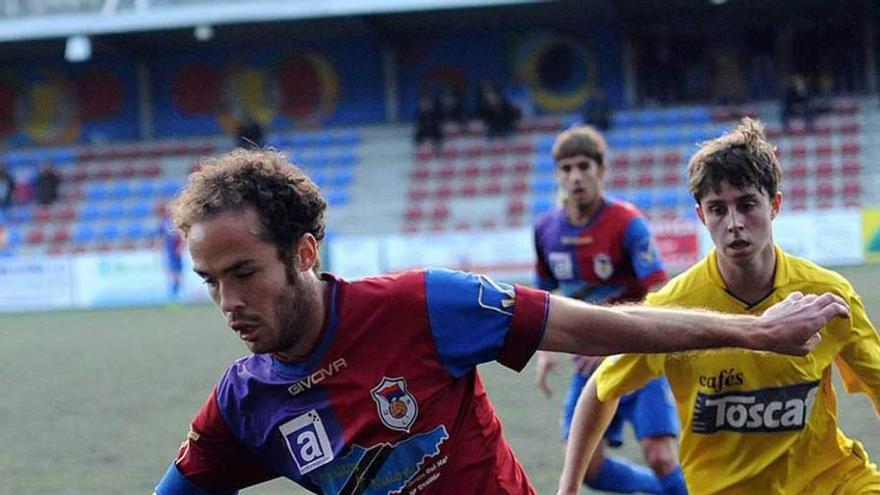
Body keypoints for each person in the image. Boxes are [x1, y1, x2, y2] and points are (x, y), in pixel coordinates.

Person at [153, 148, 848, 495]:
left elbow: (589, 326)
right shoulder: (245, 402)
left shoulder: (421, 305)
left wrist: (754, 331)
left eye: (244, 273)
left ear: (303, 252)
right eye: (210, 282)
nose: (229, 303)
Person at [557, 118, 880, 495]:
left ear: (774, 204)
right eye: (718, 209)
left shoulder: (826, 294)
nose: (734, 223)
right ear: (701, 215)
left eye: (747, 205)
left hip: (832, 483)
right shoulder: (674, 306)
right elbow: (600, 389)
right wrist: (568, 486)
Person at [534, 125, 685, 494]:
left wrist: (615, 344)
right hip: (590, 368)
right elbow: (544, 295)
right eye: (567, 169)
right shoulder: (545, 231)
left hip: (638, 357)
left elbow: (660, 293)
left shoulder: (628, 223)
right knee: (585, 465)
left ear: (601, 170)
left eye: (584, 166)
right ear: (558, 175)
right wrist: (545, 350)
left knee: (661, 455)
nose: (575, 177)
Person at [160, 208, 184, 301]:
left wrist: (180, 247)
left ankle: (176, 294)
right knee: (174, 273)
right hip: (170, 253)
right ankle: (174, 295)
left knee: (176, 273)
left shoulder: (171, 223)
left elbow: (180, 236)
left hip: (175, 253)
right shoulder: (164, 222)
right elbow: (162, 237)